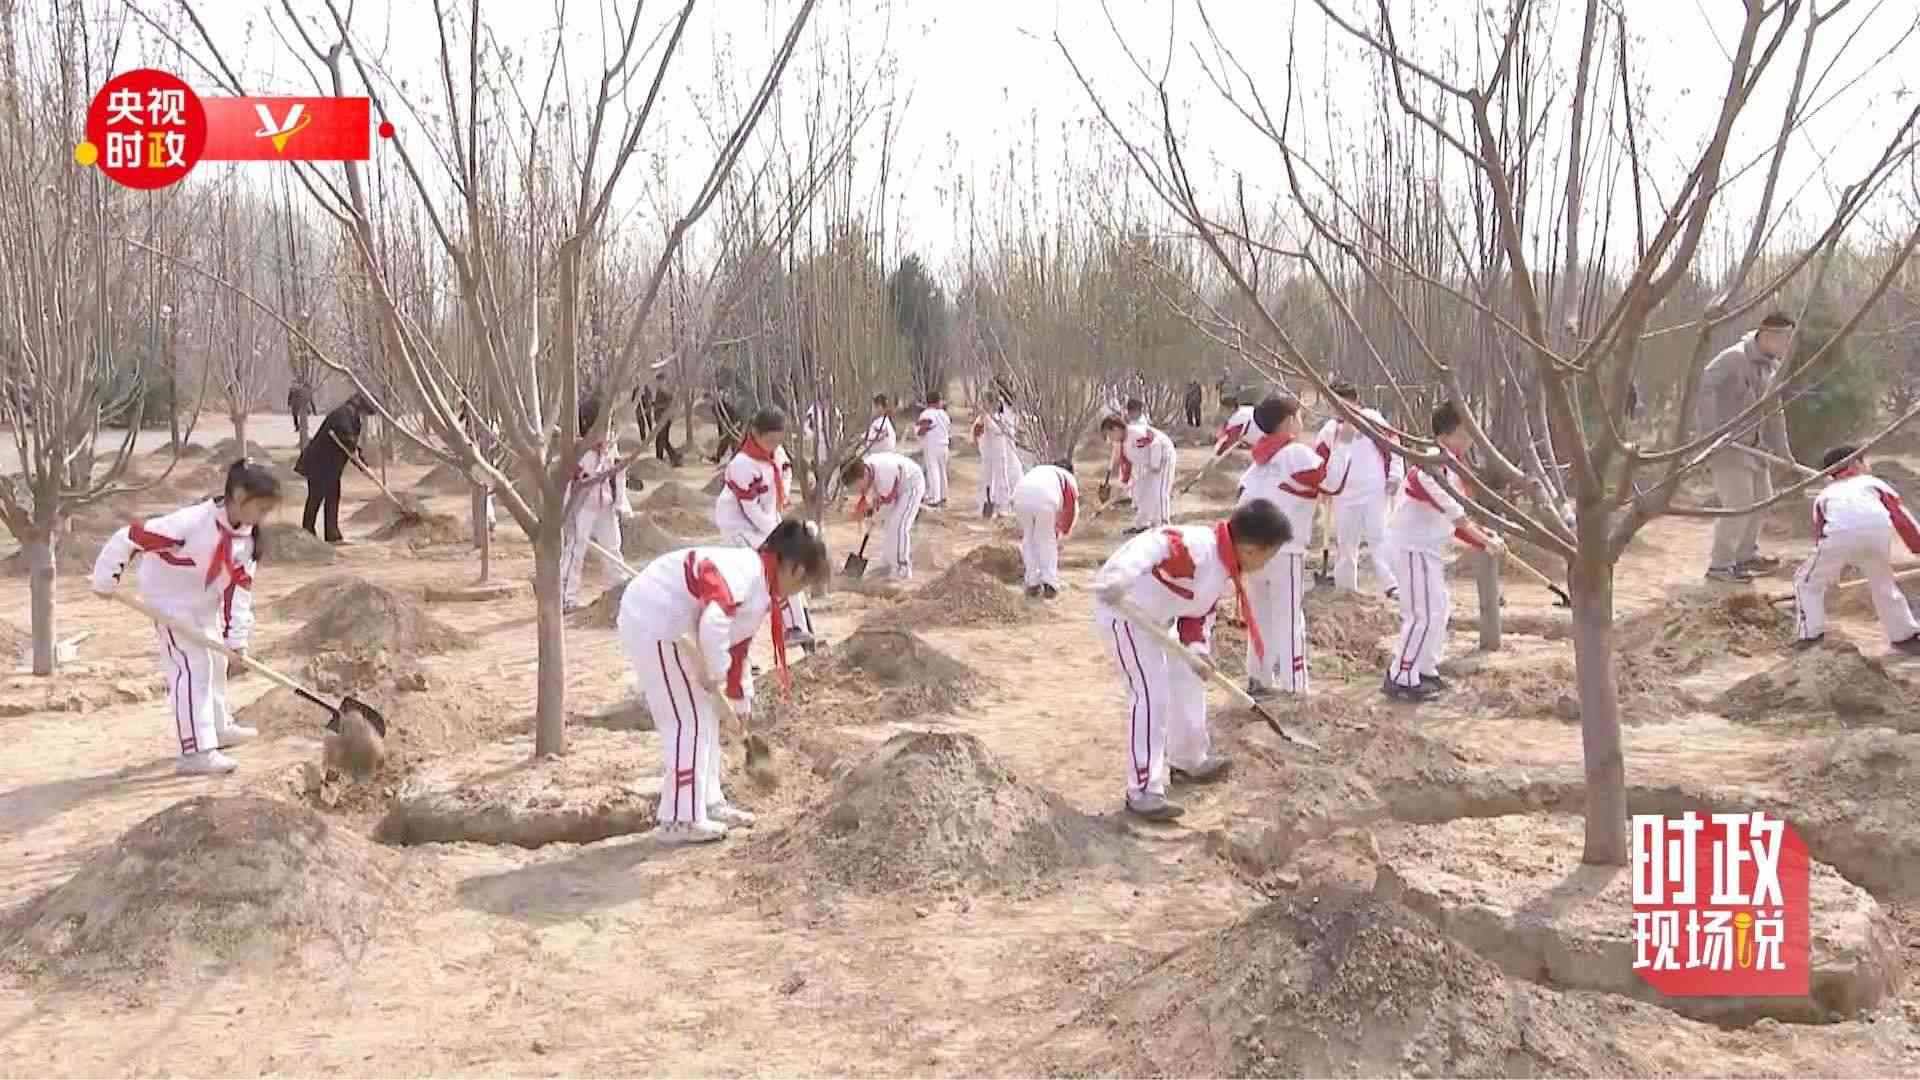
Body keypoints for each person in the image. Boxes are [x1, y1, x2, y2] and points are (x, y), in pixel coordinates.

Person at [617, 520, 830, 844]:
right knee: (687, 721)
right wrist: (714, 673)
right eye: (803, 585)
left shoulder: (760, 587)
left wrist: (740, 701)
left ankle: (707, 801)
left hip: (678, 625)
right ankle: (679, 819)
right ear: (796, 570)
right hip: (655, 620)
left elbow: (737, 646)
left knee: (705, 717)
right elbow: (715, 622)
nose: (795, 594)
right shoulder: (745, 573)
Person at [1091, 499, 1291, 820]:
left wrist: (1198, 651)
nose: (1267, 563)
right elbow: (1154, 543)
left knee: (1189, 679)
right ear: (1252, 550)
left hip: (1160, 619)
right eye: (1270, 555)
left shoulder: (1223, 571)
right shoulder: (1198, 548)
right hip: (1126, 612)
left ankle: (1188, 759)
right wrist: (1120, 576)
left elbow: (1196, 616)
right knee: (1151, 695)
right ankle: (1143, 791)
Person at [90, 460, 282, 776]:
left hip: (203, 601)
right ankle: (195, 751)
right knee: (194, 666)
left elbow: (239, 591)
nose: (263, 517)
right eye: (261, 508)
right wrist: (105, 577)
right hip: (168, 600)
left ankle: (217, 728)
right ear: (238, 495)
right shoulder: (191, 524)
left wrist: (236, 639)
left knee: (216, 661)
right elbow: (130, 537)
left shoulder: (247, 540)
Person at [1382, 401, 1505, 703]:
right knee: (1421, 615)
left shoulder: (1451, 467)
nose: (1469, 440)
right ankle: (1401, 676)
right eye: (1463, 434)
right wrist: (1485, 541)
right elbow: (1458, 519)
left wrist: (1484, 538)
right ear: (1444, 435)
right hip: (1411, 548)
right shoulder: (1430, 466)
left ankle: (1425, 669)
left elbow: (1458, 519)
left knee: (1439, 609)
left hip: (1428, 549)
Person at [1237, 396, 1334, 697]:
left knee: (1260, 617)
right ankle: (1295, 687)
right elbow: (1333, 482)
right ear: (1290, 421)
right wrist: (1340, 446)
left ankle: (1259, 678)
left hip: (1251, 552)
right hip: (1284, 550)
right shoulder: (1297, 454)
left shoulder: (1256, 467)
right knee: (1289, 620)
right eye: (1300, 416)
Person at [1698, 312, 1798, 582]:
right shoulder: (1734, 358)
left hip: (1755, 449)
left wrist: (1784, 452)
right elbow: (1703, 387)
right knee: (1738, 504)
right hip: (1728, 448)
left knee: (1762, 500)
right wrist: (1712, 433)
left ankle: (1744, 557)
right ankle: (1720, 566)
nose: (1786, 346)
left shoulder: (1770, 368)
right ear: (1768, 336)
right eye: (1784, 339)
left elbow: (1775, 411)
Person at [1792, 445, 1920, 654]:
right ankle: (1905, 636)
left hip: (1838, 536)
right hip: (1878, 533)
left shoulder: (1825, 495)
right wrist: (1917, 546)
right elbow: (1901, 517)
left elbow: (1820, 534)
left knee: (1805, 583)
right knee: (1884, 584)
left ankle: (1810, 636)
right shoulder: (1875, 484)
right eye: (1865, 460)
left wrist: (1831, 571)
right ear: (1856, 464)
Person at [713, 407, 816, 647]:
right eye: (769, 441)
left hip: (767, 517)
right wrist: (780, 535)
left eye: (778, 441)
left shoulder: (777, 452)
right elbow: (751, 510)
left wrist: (783, 498)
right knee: (769, 573)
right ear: (755, 433)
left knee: (788, 565)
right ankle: (737, 641)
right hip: (739, 525)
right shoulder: (742, 465)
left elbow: (785, 473)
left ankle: (798, 628)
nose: (774, 446)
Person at [1315, 379, 1404, 596]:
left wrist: (1395, 475)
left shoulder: (1371, 420)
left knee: (1379, 537)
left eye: (1342, 403)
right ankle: (1346, 587)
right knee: (1346, 543)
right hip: (1345, 496)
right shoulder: (1329, 431)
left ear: (1354, 401)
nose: (1338, 409)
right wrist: (1324, 489)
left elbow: (1394, 445)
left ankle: (1392, 585)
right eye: (1333, 404)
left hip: (1375, 490)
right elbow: (1320, 461)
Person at [559, 398, 635, 612]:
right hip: (582, 506)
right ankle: (566, 597)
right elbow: (569, 482)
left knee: (613, 547)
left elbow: (618, 475)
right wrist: (566, 511)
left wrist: (621, 503)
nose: (607, 429)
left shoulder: (610, 446)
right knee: (576, 550)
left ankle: (618, 590)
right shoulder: (579, 450)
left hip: (605, 505)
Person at [294, 392, 375, 543]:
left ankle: (332, 534)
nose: (364, 415)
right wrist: (362, 465)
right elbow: (347, 440)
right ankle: (308, 532)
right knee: (316, 497)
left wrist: (364, 466)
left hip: (330, 467)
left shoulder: (352, 417)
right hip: (319, 464)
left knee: (332, 497)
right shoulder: (342, 415)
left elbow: (352, 448)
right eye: (364, 411)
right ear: (359, 405)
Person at [842, 450, 928, 580]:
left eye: (857, 486)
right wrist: (874, 516)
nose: (858, 490)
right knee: (888, 525)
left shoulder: (884, 475)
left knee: (898, 525)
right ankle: (888, 564)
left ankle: (902, 568)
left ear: (863, 476)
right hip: (897, 486)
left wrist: (875, 517)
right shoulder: (869, 471)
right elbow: (879, 500)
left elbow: (886, 505)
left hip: (912, 484)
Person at [1011, 460, 1079, 599]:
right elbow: (1071, 510)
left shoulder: (1041, 471)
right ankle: (1050, 583)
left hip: (1019, 498)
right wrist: (1063, 533)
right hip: (1044, 499)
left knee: (1029, 539)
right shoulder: (1068, 478)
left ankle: (1032, 582)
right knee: (1046, 540)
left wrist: (1058, 530)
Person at [1103, 415, 1176, 534]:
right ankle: (1142, 524)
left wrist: (1155, 463)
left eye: (1110, 435)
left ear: (1116, 429)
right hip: (1148, 463)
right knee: (1142, 492)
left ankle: (1163, 524)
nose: (1110, 439)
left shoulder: (1136, 434)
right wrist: (1125, 484)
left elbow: (1155, 442)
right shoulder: (1123, 443)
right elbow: (1127, 464)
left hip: (1163, 456)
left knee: (1159, 491)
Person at [974, 392, 1023, 517]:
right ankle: (987, 505)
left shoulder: (1001, 418)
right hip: (989, 456)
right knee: (987, 481)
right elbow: (977, 433)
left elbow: (1005, 432)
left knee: (1002, 480)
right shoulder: (984, 418)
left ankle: (1003, 506)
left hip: (1001, 455)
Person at [914, 391, 952, 507]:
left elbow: (919, 431)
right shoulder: (944, 414)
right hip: (944, 445)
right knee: (942, 471)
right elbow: (948, 428)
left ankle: (934, 497)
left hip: (932, 446)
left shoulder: (926, 414)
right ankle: (943, 496)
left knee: (933, 470)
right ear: (937, 401)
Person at [287, 379, 315, 454]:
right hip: (298, 406)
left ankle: (300, 427)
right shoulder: (295, 390)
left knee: (297, 416)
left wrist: (289, 403)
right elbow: (290, 397)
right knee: (296, 416)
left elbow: (309, 400)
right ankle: (299, 427)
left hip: (299, 406)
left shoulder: (299, 390)